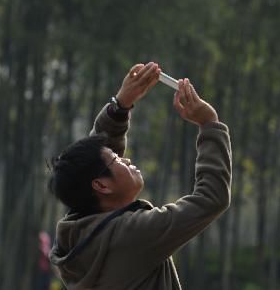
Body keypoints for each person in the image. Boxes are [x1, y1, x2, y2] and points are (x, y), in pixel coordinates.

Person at [48, 61, 232, 289]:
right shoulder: (133, 235)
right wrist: (210, 125)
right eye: (117, 160)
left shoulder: (78, 237)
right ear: (102, 186)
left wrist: (119, 107)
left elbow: (92, 163)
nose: (125, 158)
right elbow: (211, 198)